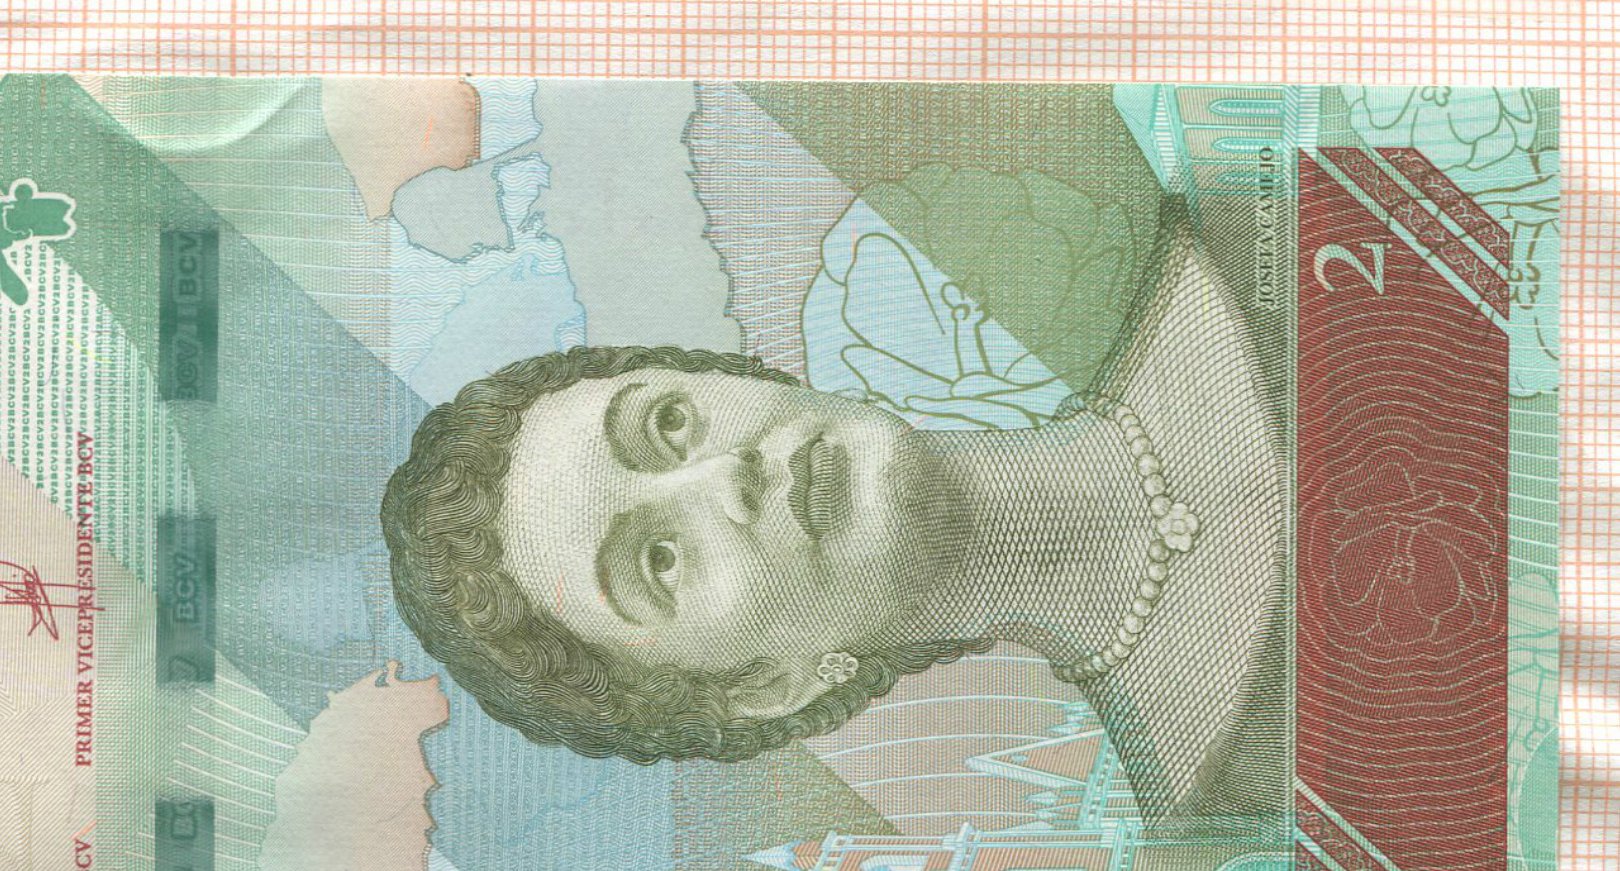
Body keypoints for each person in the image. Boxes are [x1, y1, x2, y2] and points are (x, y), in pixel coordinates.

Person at [381, 236, 1290, 830]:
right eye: (659, 560)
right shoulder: (1239, 799)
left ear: (735, 375)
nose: (723, 476)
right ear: (768, 686)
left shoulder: (1252, 245)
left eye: (668, 424)